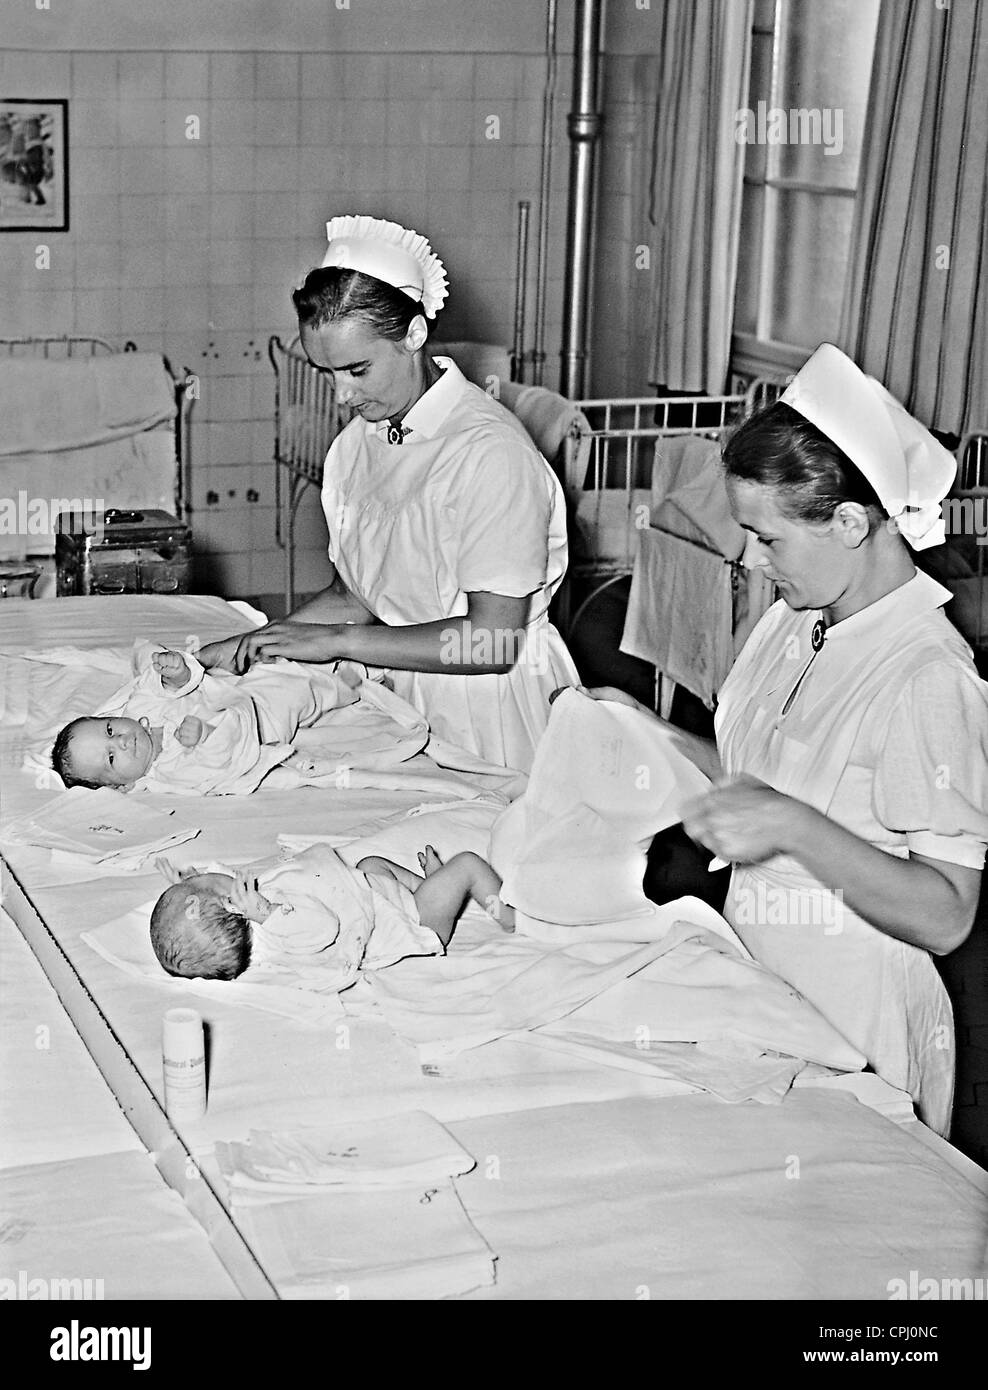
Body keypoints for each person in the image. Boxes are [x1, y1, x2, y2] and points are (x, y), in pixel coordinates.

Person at [592, 344, 988, 1136]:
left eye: (767, 538)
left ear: (849, 522)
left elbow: (946, 913)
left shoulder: (927, 675)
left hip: (858, 1012)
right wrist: (644, 728)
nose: (751, 559)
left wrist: (792, 828)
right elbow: (758, 782)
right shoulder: (794, 620)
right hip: (761, 983)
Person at [197, 214, 579, 773]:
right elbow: (358, 596)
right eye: (326, 372)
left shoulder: (490, 453)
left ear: (415, 336)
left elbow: (490, 643)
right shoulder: (357, 447)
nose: (341, 395)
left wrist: (337, 643)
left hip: (493, 712)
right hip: (402, 697)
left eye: (356, 369)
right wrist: (260, 644)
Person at [150, 842, 514, 987]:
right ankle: (509, 916)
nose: (202, 875)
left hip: (378, 897)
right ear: (232, 905)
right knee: (467, 865)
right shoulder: (279, 927)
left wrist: (186, 884)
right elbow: (323, 927)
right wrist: (267, 911)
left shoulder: (246, 916)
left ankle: (430, 885)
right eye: (202, 884)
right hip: (414, 922)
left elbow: (220, 882)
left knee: (371, 864)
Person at [51, 641, 359, 795]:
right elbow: (216, 764)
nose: (120, 741)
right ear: (120, 786)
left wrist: (176, 673)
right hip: (256, 726)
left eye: (108, 730)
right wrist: (206, 736)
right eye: (111, 758)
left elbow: (155, 686)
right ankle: (344, 686)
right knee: (295, 694)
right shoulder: (170, 771)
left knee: (270, 669)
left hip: (232, 692)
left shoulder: (138, 712)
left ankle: (322, 659)